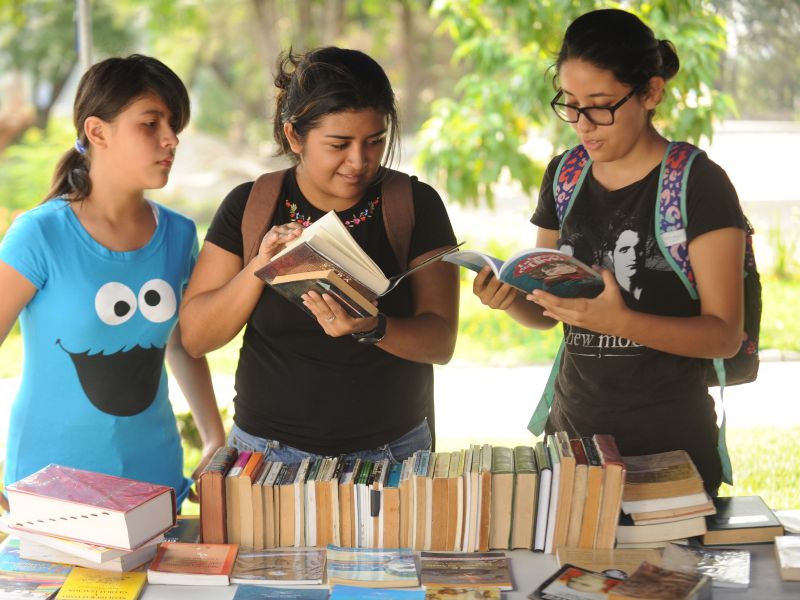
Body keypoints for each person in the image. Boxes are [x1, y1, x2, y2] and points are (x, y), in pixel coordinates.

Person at [472, 9, 746, 496]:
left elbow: (724, 335)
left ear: (650, 93)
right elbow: (549, 312)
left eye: (599, 105)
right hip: (574, 445)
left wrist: (621, 322)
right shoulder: (566, 174)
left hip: (669, 452)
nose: (582, 124)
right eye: (571, 104)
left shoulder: (697, 184)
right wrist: (511, 298)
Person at [179, 47, 459, 464]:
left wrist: (375, 327)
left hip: (392, 452)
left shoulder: (414, 204)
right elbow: (197, 337)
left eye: (375, 141)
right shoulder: (251, 205)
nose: (359, 161)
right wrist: (260, 265)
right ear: (295, 136)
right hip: (267, 453)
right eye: (339, 144)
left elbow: (441, 342)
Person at [0, 55, 225, 508]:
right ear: (97, 131)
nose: (170, 139)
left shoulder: (180, 235)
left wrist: (214, 439)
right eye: (151, 123)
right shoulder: (40, 234)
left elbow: (181, 344)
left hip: (154, 477)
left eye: (174, 124)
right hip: (49, 487)